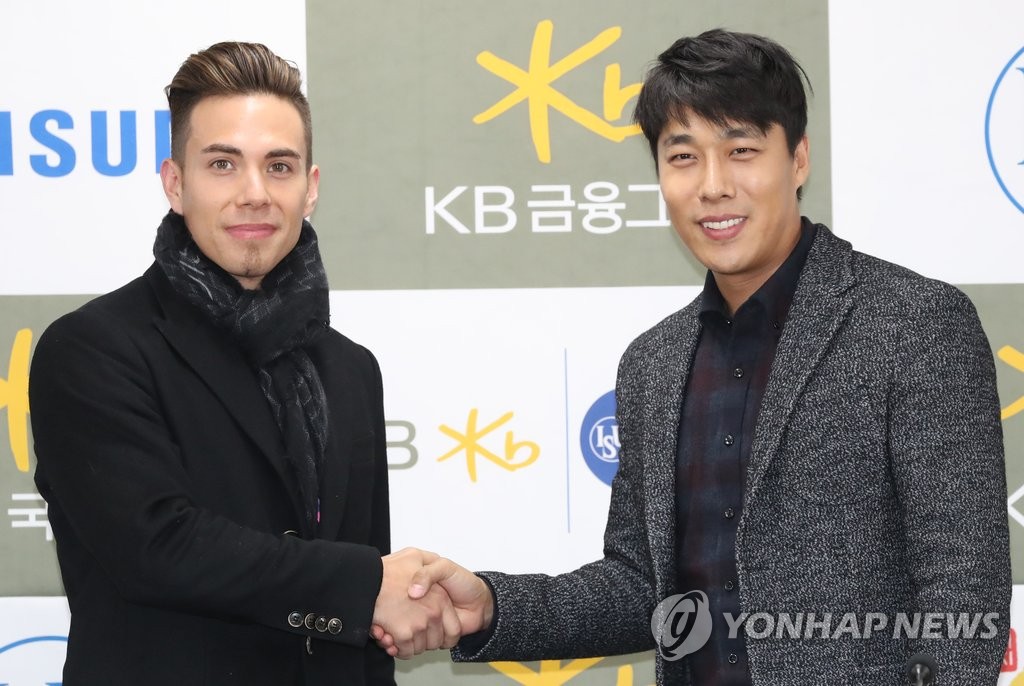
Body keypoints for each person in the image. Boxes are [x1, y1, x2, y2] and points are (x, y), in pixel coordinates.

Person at [375, 29, 1012, 684]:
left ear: (798, 159)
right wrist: (491, 606)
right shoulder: (653, 363)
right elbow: (640, 589)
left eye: (741, 151)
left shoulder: (914, 324)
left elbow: (964, 589)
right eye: (683, 157)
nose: (712, 186)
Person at [29, 41, 459, 685]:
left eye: (279, 166)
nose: (255, 193)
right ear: (175, 184)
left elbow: (365, 631)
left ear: (311, 189)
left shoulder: (349, 369)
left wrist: (382, 596)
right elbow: (157, 547)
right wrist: (365, 584)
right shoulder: (93, 348)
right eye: (223, 164)